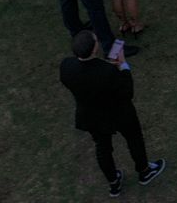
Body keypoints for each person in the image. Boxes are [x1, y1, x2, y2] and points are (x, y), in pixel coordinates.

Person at [59, 29, 165, 196]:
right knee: (134, 138)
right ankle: (144, 171)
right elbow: (127, 92)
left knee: (102, 148)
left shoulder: (66, 66)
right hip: (118, 113)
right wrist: (123, 65)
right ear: (94, 49)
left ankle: (114, 182)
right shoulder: (107, 71)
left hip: (92, 116)